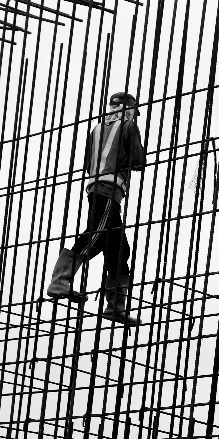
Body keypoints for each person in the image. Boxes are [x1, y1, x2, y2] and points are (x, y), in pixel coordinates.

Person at [45, 91, 147, 326]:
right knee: (97, 235)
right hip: (108, 190)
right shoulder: (128, 126)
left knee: (120, 248)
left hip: (95, 187)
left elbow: (87, 163)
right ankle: (61, 280)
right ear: (129, 109)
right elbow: (138, 161)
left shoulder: (97, 128)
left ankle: (115, 306)